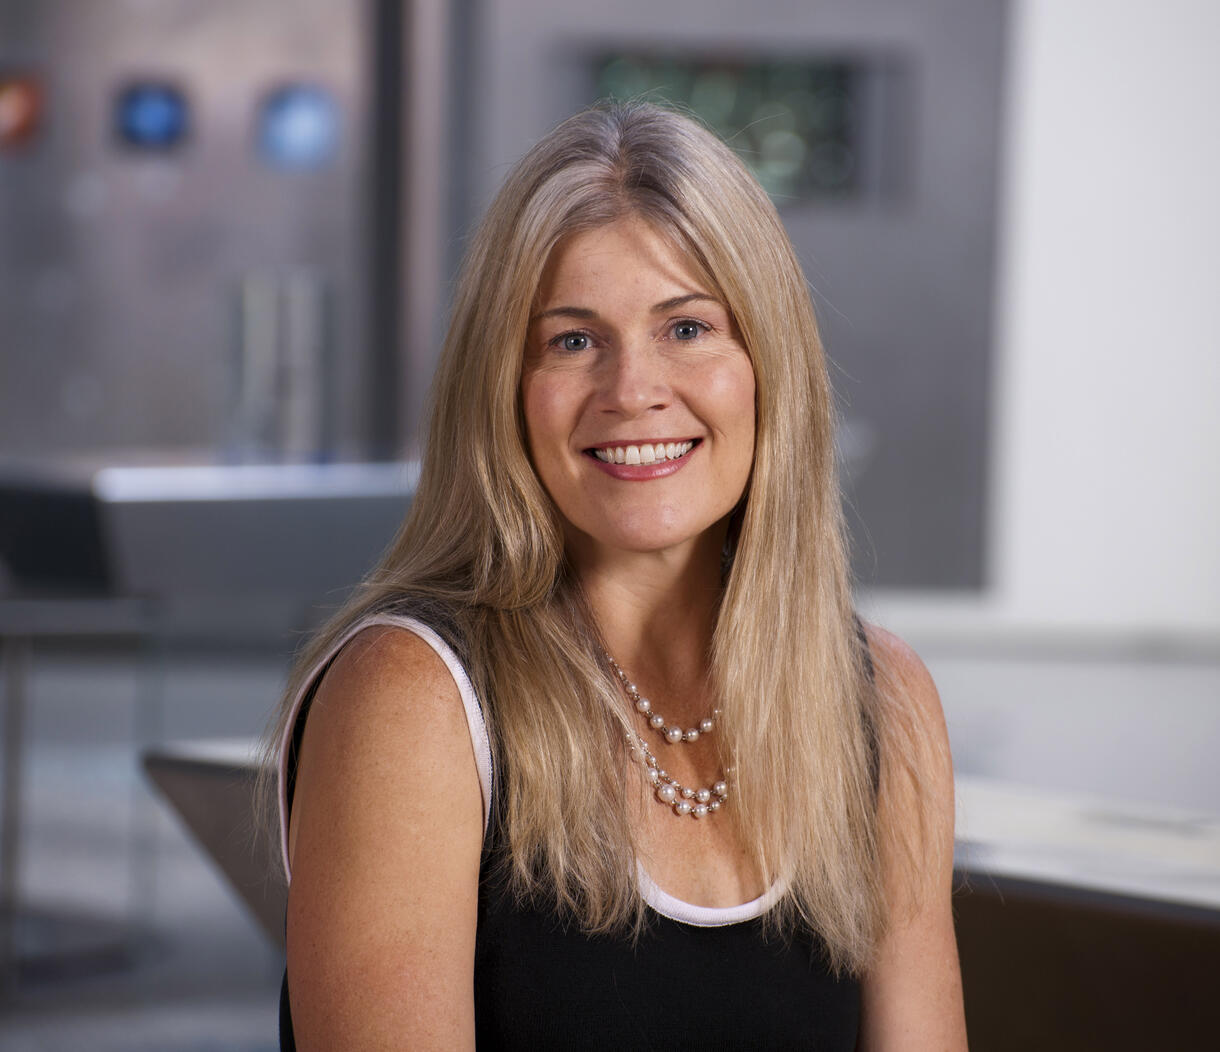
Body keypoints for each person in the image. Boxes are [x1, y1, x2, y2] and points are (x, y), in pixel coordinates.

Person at [265, 100, 967, 1049]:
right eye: (573, 340)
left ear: (769, 364)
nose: (633, 389)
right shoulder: (412, 698)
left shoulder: (885, 701)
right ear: (505, 389)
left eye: (687, 330)